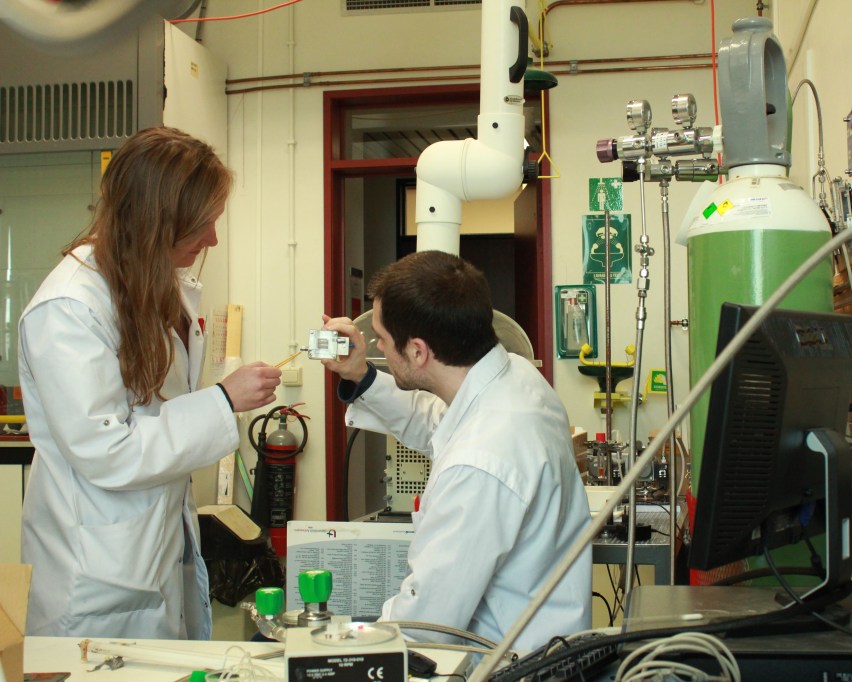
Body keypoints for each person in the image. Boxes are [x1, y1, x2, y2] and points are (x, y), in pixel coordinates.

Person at [18, 127, 282, 639]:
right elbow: (105, 449)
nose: (212, 240)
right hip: (95, 573)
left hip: (153, 546)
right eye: (203, 225)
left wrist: (220, 402)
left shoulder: (153, 286)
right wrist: (223, 400)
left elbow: (156, 413)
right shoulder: (70, 307)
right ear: (156, 221)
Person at [321, 250, 592, 650]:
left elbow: (424, 625)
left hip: (501, 663)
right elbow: (441, 423)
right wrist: (360, 375)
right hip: (537, 638)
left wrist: (337, 647)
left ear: (418, 351)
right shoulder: (516, 379)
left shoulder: (480, 462)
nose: (377, 345)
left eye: (382, 338)